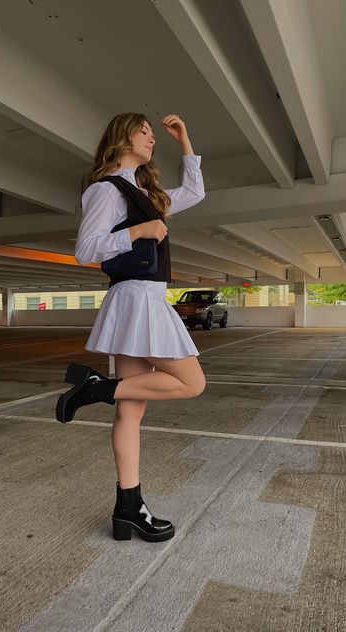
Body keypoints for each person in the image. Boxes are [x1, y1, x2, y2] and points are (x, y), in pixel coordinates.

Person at [56, 113, 206, 542]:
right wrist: (138, 230)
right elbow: (86, 249)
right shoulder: (106, 189)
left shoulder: (148, 192)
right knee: (191, 382)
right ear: (122, 137)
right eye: (145, 132)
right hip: (136, 297)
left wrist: (185, 140)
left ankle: (128, 510)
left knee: (130, 410)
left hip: (143, 300)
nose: (152, 139)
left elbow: (195, 191)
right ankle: (95, 389)